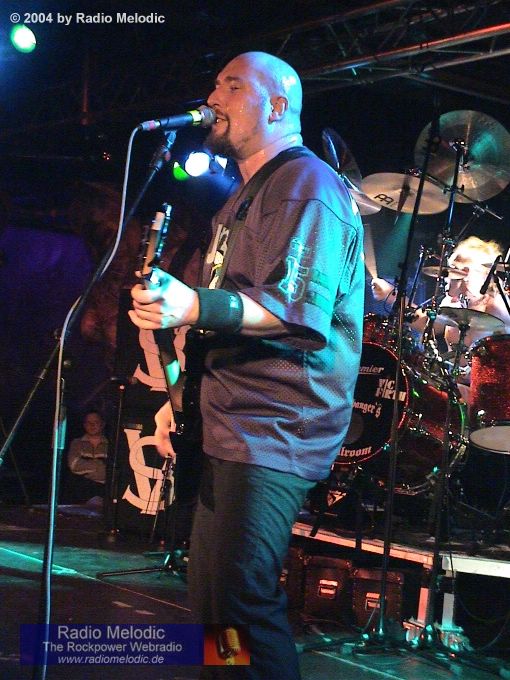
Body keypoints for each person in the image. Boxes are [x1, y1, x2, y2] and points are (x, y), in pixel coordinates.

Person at [129, 51, 364, 679]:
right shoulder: (242, 196)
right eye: (215, 83)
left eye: (232, 86)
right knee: (215, 611)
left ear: (278, 105)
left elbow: (296, 313)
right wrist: (182, 381)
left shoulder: (306, 183)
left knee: (242, 604)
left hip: (275, 426)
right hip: (232, 423)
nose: (213, 97)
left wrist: (192, 304)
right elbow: (228, 312)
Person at [371, 236, 510, 398]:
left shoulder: (497, 306)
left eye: (451, 269)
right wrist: (392, 295)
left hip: (491, 393)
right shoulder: (452, 302)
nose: (444, 276)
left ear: (466, 273)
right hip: (457, 387)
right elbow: (425, 324)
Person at [66, 409, 108, 504]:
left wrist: (87, 468)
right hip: (81, 492)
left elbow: (110, 471)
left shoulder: (111, 445)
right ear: (84, 425)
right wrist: (99, 465)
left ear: (102, 424)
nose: (92, 425)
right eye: (88, 422)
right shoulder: (77, 443)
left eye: (95, 422)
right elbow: (74, 465)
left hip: (104, 492)